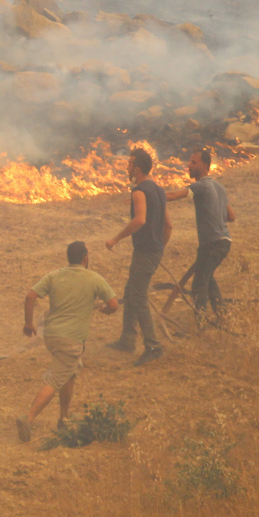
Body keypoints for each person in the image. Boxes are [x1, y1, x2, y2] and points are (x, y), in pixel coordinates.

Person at [16, 242, 119, 442]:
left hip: (52, 335)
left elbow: (30, 296)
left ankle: (64, 418)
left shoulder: (54, 276)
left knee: (70, 372)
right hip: (71, 339)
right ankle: (28, 418)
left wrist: (28, 322)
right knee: (56, 379)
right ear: (85, 258)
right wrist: (106, 310)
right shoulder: (95, 278)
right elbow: (113, 304)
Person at [105, 147, 172, 366]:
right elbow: (168, 225)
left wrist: (116, 238)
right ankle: (127, 339)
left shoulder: (139, 191)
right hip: (153, 251)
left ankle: (153, 346)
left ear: (138, 168)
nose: (127, 167)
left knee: (139, 297)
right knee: (130, 291)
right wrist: (160, 246)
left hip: (145, 252)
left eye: (130, 163)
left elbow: (140, 220)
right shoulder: (160, 191)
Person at [165, 148, 235, 318]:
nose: (189, 165)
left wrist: (149, 195)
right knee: (208, 278)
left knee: (198, 285)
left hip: (212, 244)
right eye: (189, 162)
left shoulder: (200, 186)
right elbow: (231, 216)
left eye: (193, 162)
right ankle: (222, 315)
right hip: (224, 241)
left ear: (205, 165)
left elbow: (174, 196)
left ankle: (201, 325)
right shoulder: (219, 187)